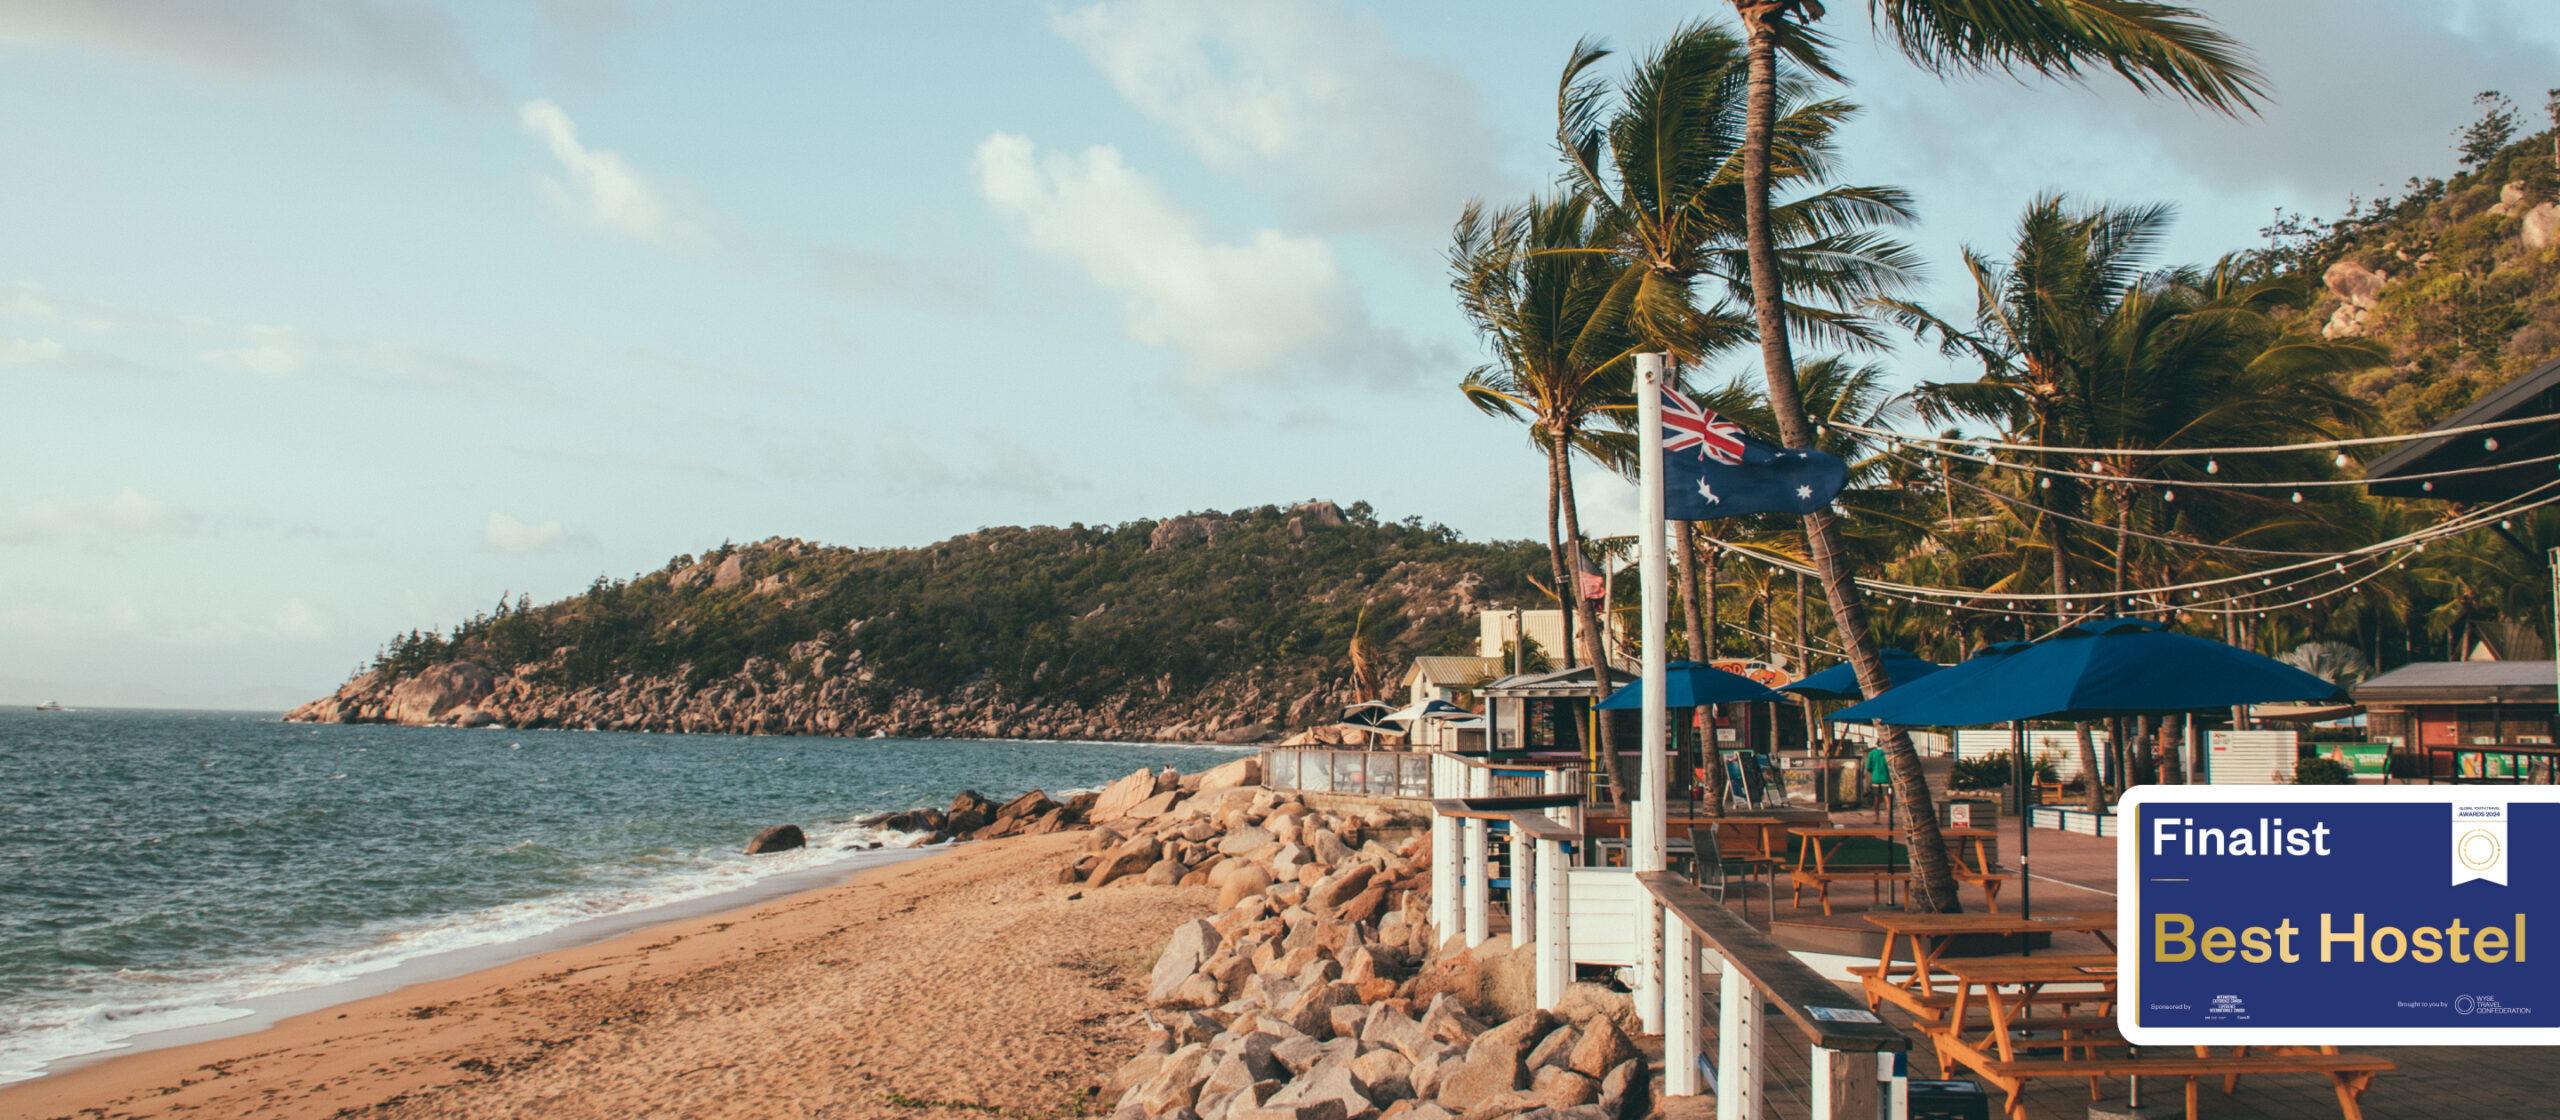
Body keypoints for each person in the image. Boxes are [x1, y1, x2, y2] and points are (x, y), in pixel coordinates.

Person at [1865, 742, 1892, 823]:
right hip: (1885, 778)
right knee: (1887, 797)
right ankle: (1890, 819)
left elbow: (1868, 767)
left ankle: (1877, 819)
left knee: (1876, 798)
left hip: (1875, 778)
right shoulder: (1887, 754)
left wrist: (1873, 771)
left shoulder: (1872, 754)